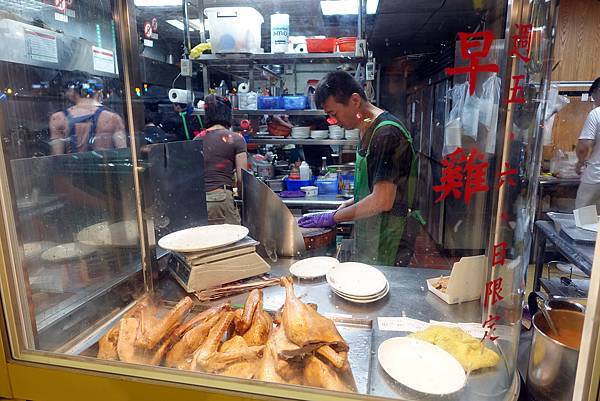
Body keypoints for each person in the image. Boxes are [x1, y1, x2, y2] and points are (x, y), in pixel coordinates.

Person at [298, 71, 420, 266]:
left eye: (333, 113)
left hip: (391, 235)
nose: (333, 121)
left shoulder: (386, 134)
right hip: (374, 229)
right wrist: (350, 203)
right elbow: (377, 186)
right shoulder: (366, 129)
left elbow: (383, 200)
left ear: (355, 100)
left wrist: (334, 217)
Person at [195, 95, 247, 225]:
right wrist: (242, 197)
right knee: (231, 242)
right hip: (221, 198)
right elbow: (242, 178)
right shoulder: (236, 139)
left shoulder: (196, 140)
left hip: (200, 201)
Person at [49, 72, 126, 154]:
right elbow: (123, 153)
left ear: (72, 91)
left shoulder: (58, 118)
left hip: (72, 166)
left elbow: (57, 157)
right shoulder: (112, 118)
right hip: (105, 166)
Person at [575, 77, 600, 210]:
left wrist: (580, 162)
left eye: (593, 96)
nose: (593, 101)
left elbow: (584, 146)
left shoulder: (596, 114)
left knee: (584, 220)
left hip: (595, 178)